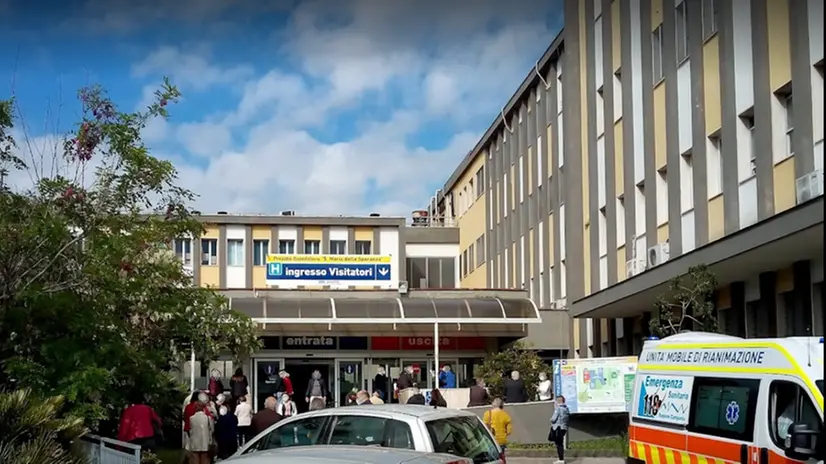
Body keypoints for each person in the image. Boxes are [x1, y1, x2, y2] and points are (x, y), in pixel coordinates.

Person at [549, 395, 570, 464]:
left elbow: (553, 419)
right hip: (564, 427)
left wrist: (551, 420)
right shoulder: (566, 409)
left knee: (558, 444)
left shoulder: (558, 409)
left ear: (558, 401)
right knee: (560, 443)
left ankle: (561, 460)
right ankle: (561, 459)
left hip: (557, 428)